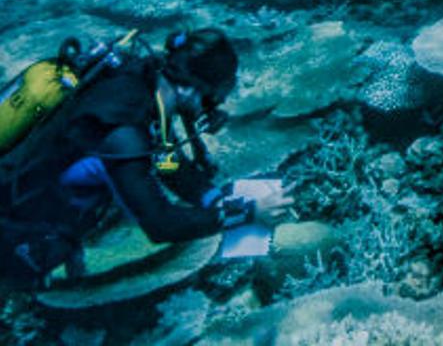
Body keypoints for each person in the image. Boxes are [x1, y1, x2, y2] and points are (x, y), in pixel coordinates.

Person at [0, 27, 291, 287]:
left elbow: (168, 161)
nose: (215, 108)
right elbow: (160, 224)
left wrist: (214, 198)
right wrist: (248, 212)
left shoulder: (146, 82)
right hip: (14, 220)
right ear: (190, 88)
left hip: (46, 195)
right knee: (22, 283)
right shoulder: (123, 132)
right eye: (215, 97)